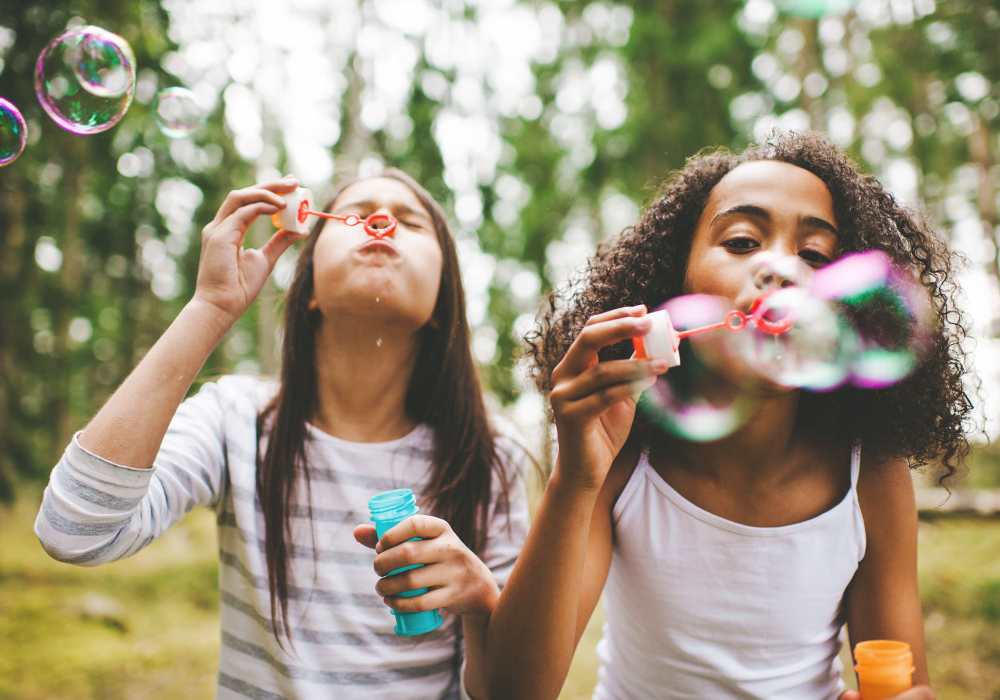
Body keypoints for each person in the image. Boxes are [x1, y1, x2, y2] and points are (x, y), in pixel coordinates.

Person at [484, 132, 970, 699]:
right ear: (675, 277)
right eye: (742, 241)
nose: (781, 268)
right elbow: (509, 690)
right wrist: (575, 480)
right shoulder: (627, 454)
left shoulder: (868, 471)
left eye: (814, 255)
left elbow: (902, 681)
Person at [35, 169, 530, 699]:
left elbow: (513, 691)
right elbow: (72, 531)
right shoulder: (237, 420)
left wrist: (481, 601)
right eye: (358, 214)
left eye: (409, 221)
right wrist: (210, 309)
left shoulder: (488, 457)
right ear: (310, 287)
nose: (381, 223)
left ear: (440, 304)